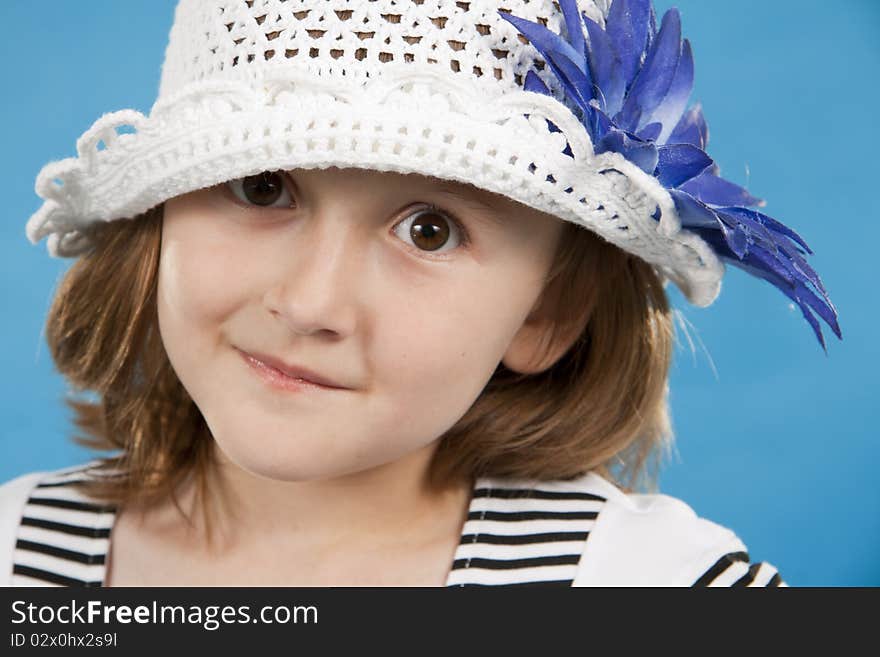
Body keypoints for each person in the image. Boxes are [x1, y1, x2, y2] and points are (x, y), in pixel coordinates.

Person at [0, 0, 839, 587]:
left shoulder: (654, 584)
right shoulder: (17, 556)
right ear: (159, 218)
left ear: (547, 314)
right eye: (262, 187)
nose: (311, 303)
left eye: (430, 230)